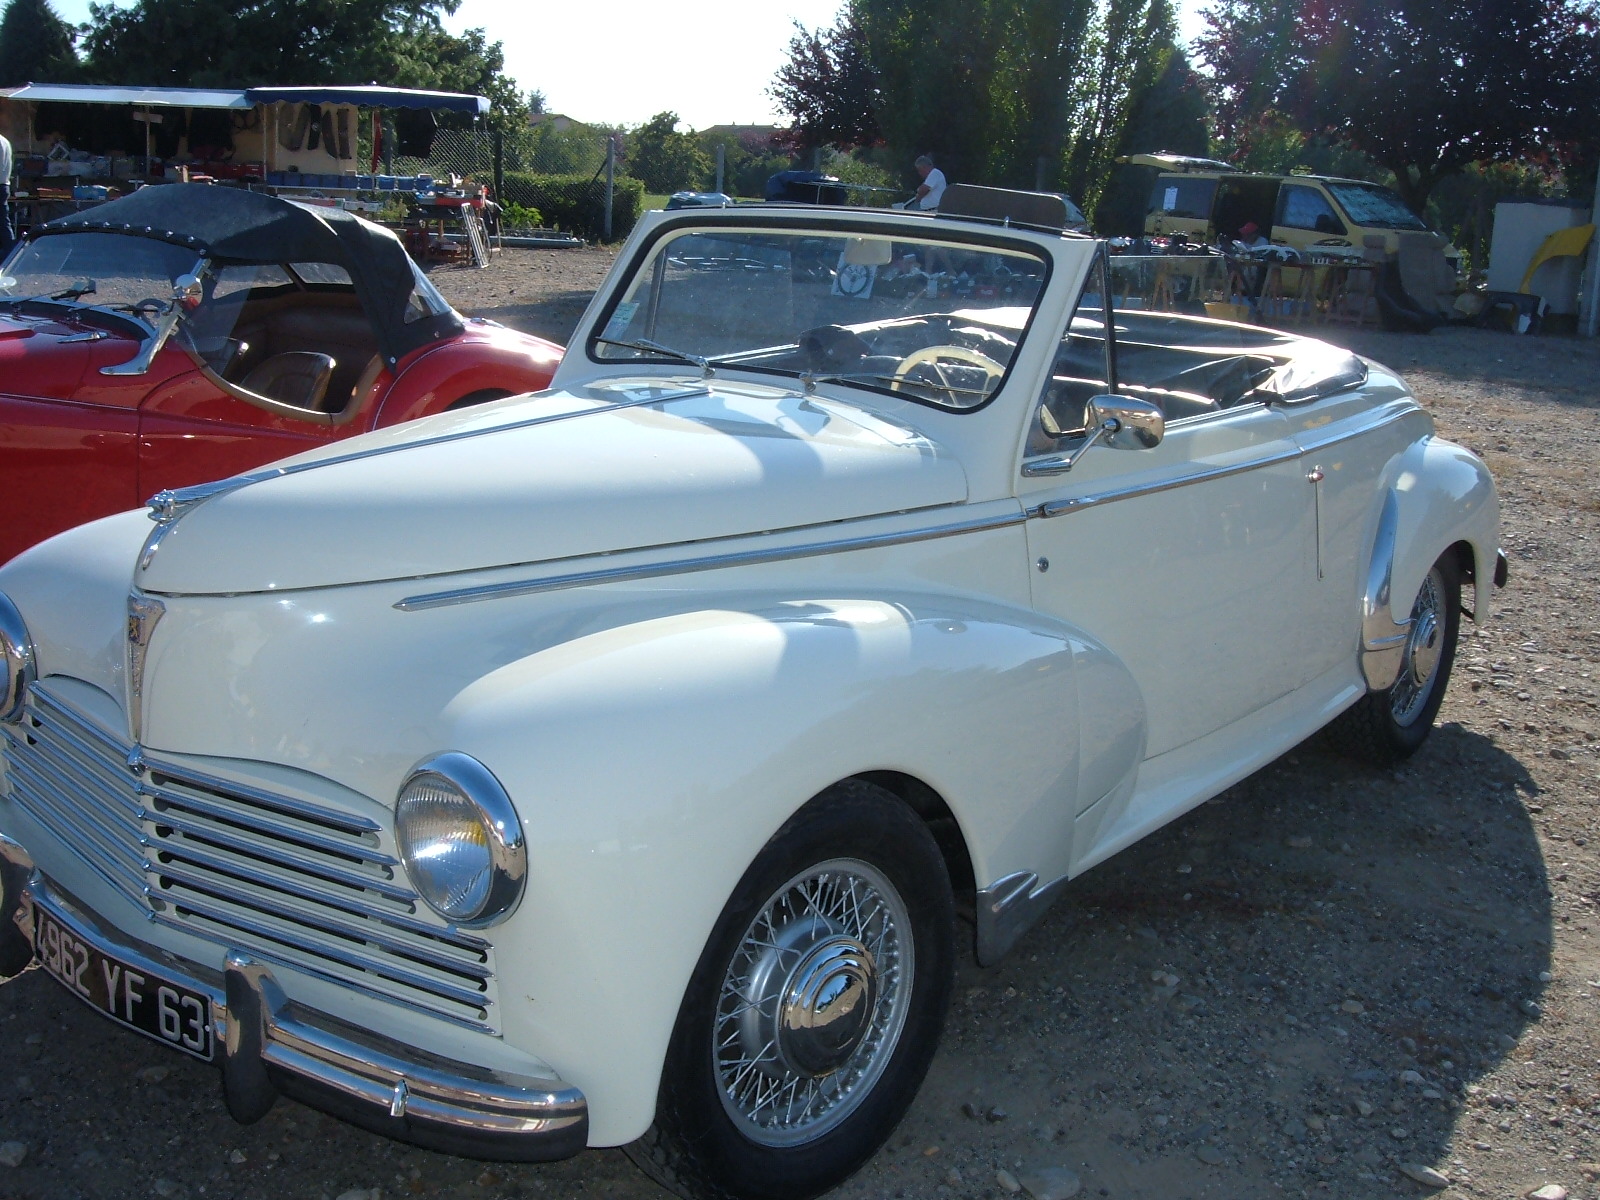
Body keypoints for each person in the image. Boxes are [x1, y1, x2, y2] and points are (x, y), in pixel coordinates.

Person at [0, 132, 13, 259]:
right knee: (3, 221)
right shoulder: (5, 141)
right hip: (4, 184)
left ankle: (9, 251)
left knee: (3, 222)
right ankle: (10, 251)